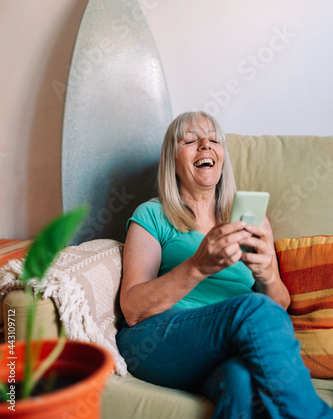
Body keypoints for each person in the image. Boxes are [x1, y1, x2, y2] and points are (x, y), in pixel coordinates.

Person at [116, 111, 333, 418]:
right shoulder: (153, 214)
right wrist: (197, 267)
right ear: (172, 160)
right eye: (191, 141)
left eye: (214, 140)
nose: (205, 145)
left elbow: (278, 307)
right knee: (254, 307)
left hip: (227, 349)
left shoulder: (251, 218)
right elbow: (133, 309)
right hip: (157, 341)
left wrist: (267, 274)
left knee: (240, 383)